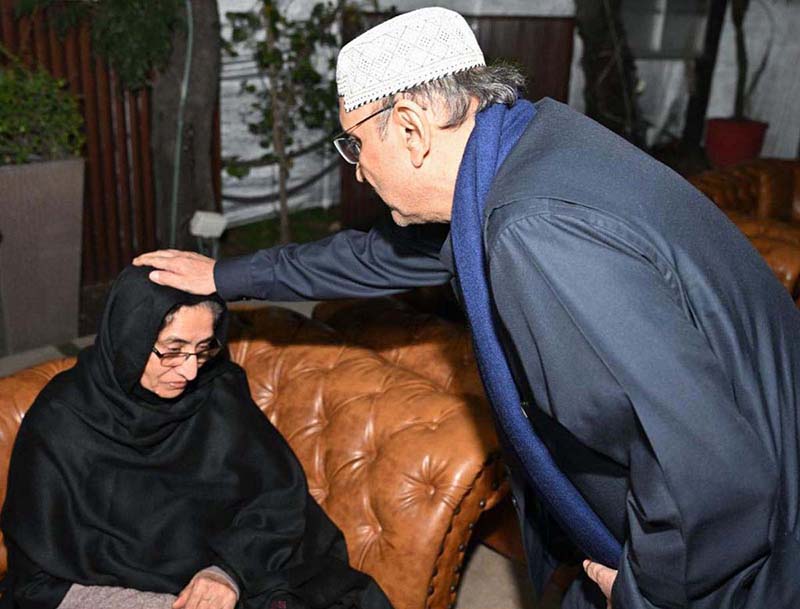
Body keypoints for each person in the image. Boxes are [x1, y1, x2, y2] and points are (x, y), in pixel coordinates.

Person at [135, 7, 800, 608]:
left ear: (410, 127)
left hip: (749, 557)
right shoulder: (526, 151)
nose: (356, 170)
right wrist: (224, 272)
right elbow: (370, 257)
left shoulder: (535, 228)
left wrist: (644, 586)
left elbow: (706, 468)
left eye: (353, 145)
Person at [0, 265, 392, 609]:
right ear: (129, 337)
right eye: (172, 351)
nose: (189, 372)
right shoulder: (61, 421)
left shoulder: (215, 391)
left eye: (202, 349)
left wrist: (229, 572)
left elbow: (277, 496)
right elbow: (38, 582)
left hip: (238, 578)